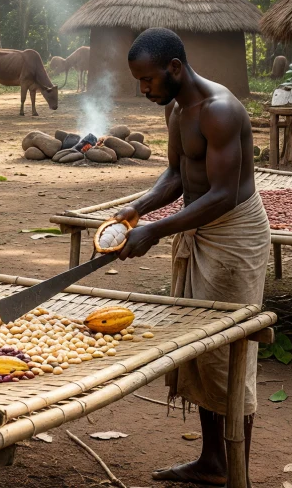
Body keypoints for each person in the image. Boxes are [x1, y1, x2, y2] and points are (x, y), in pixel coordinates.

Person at [109, 28, 269, 486]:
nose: (143, 90)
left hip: (233, 235)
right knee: (196, 350)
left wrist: (156, 230)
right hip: (196, 227)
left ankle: (237, 474)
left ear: (174, 68)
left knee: (228, 353)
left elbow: (221, 195)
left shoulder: (219, 111)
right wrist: (138, 208)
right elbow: (177, 175)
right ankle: (212, 462)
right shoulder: (177, 109)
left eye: (147, 80)